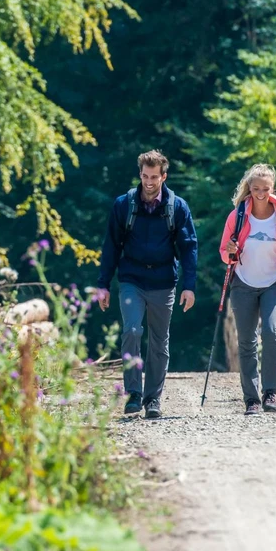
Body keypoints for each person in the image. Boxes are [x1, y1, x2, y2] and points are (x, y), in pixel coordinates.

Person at [96, 150, 198, 419]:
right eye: (144, 176)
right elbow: (110, 246)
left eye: (154, 177)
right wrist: (103, 284)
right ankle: (134, 393)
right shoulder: (124, 205)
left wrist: (190, 286)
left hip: (164, 282)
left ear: (164, 176)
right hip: (131, 279)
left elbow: (188, 248)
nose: (149, 182)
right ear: (139, 174)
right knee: (131, 330)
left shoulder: (177, 207)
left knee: (159, 341)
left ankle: (153, 398)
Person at [218, 163, 276, 416]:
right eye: (256, 188)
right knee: (246, 342)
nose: (260, 193)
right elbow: (224, 252)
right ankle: (251, 400)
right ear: (249, 188)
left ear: (272, 189)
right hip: (243, 284)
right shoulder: (237, 216)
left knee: (271, 332)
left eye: (265, 189)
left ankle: (270, 392)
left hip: (275, 283)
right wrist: (230, 252)